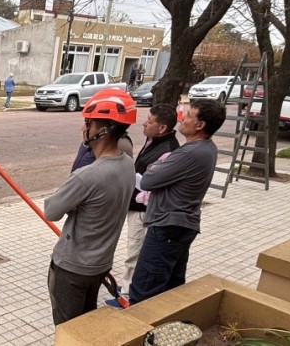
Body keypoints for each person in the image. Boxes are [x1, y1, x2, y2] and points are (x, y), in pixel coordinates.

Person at [44, 89, 137, 325]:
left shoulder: (87, 176)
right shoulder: (128, 165)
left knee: (69, 330)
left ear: (103, 130)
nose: (84, 128)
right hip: (100, 265)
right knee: (87, 325)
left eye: (89, 123)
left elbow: (51, 211)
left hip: (71, 268)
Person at [128, 98, 226, 304]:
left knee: (144, 291)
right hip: (180, 227)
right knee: (170, 288)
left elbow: (147, 180)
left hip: (168, 228)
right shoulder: (206, 147)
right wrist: (158, 166)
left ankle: (141, 323)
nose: (182, 118)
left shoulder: (189, 153)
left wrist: (155, 167)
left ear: (200, 125)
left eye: (189, 115)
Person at [122, 104, 180, 296]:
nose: (144, 124)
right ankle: (129, 287)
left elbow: (155, 183)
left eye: (149, 121)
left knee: (135, 250)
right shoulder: (154, 141)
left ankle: (128, 293)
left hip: (143, 209)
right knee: (134, 246)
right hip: (136, 205)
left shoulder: (168, 150)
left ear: (162, 128)